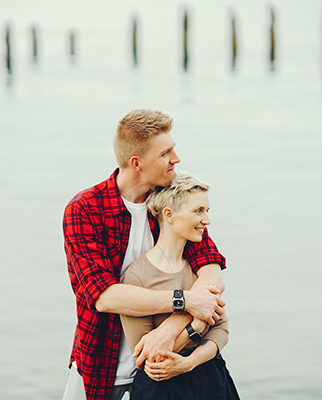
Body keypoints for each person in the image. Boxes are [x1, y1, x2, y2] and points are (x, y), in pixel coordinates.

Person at [62, 109, 227, 400]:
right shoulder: (85, 209)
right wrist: (185, 301)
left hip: (170, 366)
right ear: (136, 163)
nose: (176, 159)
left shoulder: (171, 201)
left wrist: (169, 330)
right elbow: (104, 297)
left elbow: (210, 270)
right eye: (166, 153)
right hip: (101, 365)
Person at [120, 171, 240, 399]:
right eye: (198, 211)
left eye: (207, 211)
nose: (207, 220)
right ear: (169, 215)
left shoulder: (201, 269)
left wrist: (189, 362)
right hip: (161, 386)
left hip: (211, 378)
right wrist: (195, 325)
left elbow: (221, 329)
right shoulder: (137, 277)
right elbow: (147, 357)